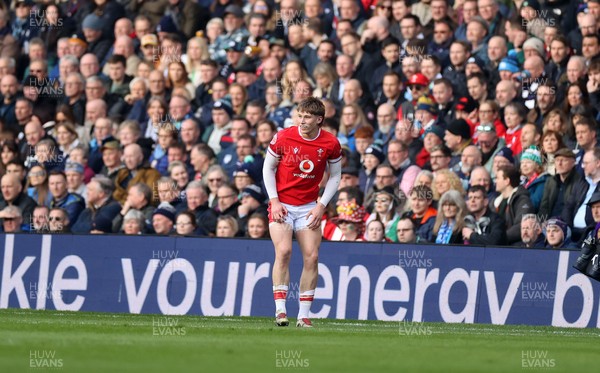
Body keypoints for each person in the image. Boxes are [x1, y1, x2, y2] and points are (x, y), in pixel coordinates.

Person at [262, 98, 342, 328]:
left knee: (312, 256)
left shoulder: (330, 143)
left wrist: (321, 204)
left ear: (319, 119)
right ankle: (280, 311)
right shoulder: (284, 137)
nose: (302, 120)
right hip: (283, 205)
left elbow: (335, 176)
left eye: (308, 117)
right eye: (300, 115)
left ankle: (304, 315)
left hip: (309, 206)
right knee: (284, 251)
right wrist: (274, 201)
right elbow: (268, 167)